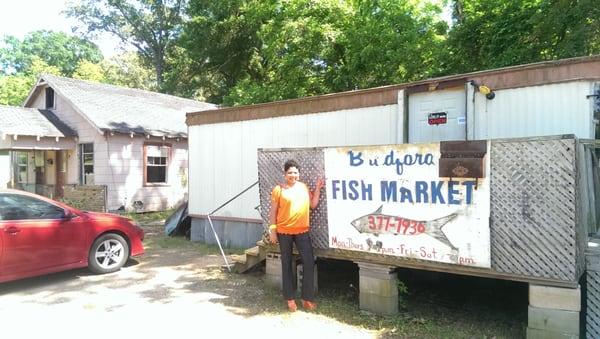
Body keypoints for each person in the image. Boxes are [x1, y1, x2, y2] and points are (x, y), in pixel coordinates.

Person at [269, 159, 324, 312]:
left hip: (302, 231)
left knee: (308, 262)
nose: (293, 175)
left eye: (295, 172)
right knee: (286, 264)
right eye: (290, 172)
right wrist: (273, 230)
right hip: (283, 232)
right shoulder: (278, 190)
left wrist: (318, 188)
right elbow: (273, 211)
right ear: (285, 174)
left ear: (299, 174)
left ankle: (307, 299)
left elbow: (313, 205)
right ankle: (290, 299)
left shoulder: (304, 187)